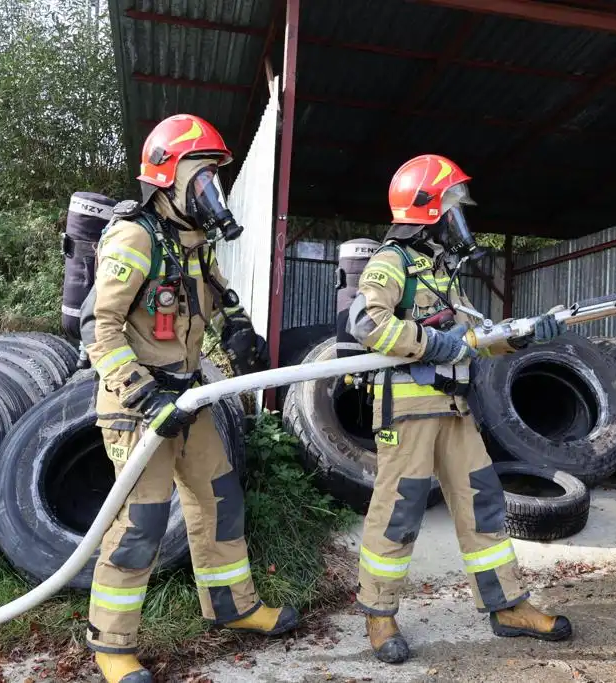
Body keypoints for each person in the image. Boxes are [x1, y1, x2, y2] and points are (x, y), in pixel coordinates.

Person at [82, 114, 298, 683]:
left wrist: (239, 331)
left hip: (188, 398)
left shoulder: (192, 241)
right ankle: (111, 643)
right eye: (200, 177)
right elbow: (96, 327)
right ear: (166, 178)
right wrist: (142, 392)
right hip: (139, 408)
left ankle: (233, 606)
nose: (211, 192)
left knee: (220, 497)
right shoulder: (134, 237)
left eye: (213, 180)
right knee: (142, 522)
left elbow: (218, 295)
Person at [346, 154, 573, 664]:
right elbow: (367, 324)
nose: (460, 217)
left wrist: (520, 337)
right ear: (426, 208)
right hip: (407, 408)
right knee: (398, 511)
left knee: (483, 505)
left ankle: (508, 604)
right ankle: (380, 616)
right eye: (453, 205)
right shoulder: (392, 262)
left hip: (453, 405)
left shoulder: (438, 268)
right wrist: (432, 344)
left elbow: (471, 338)